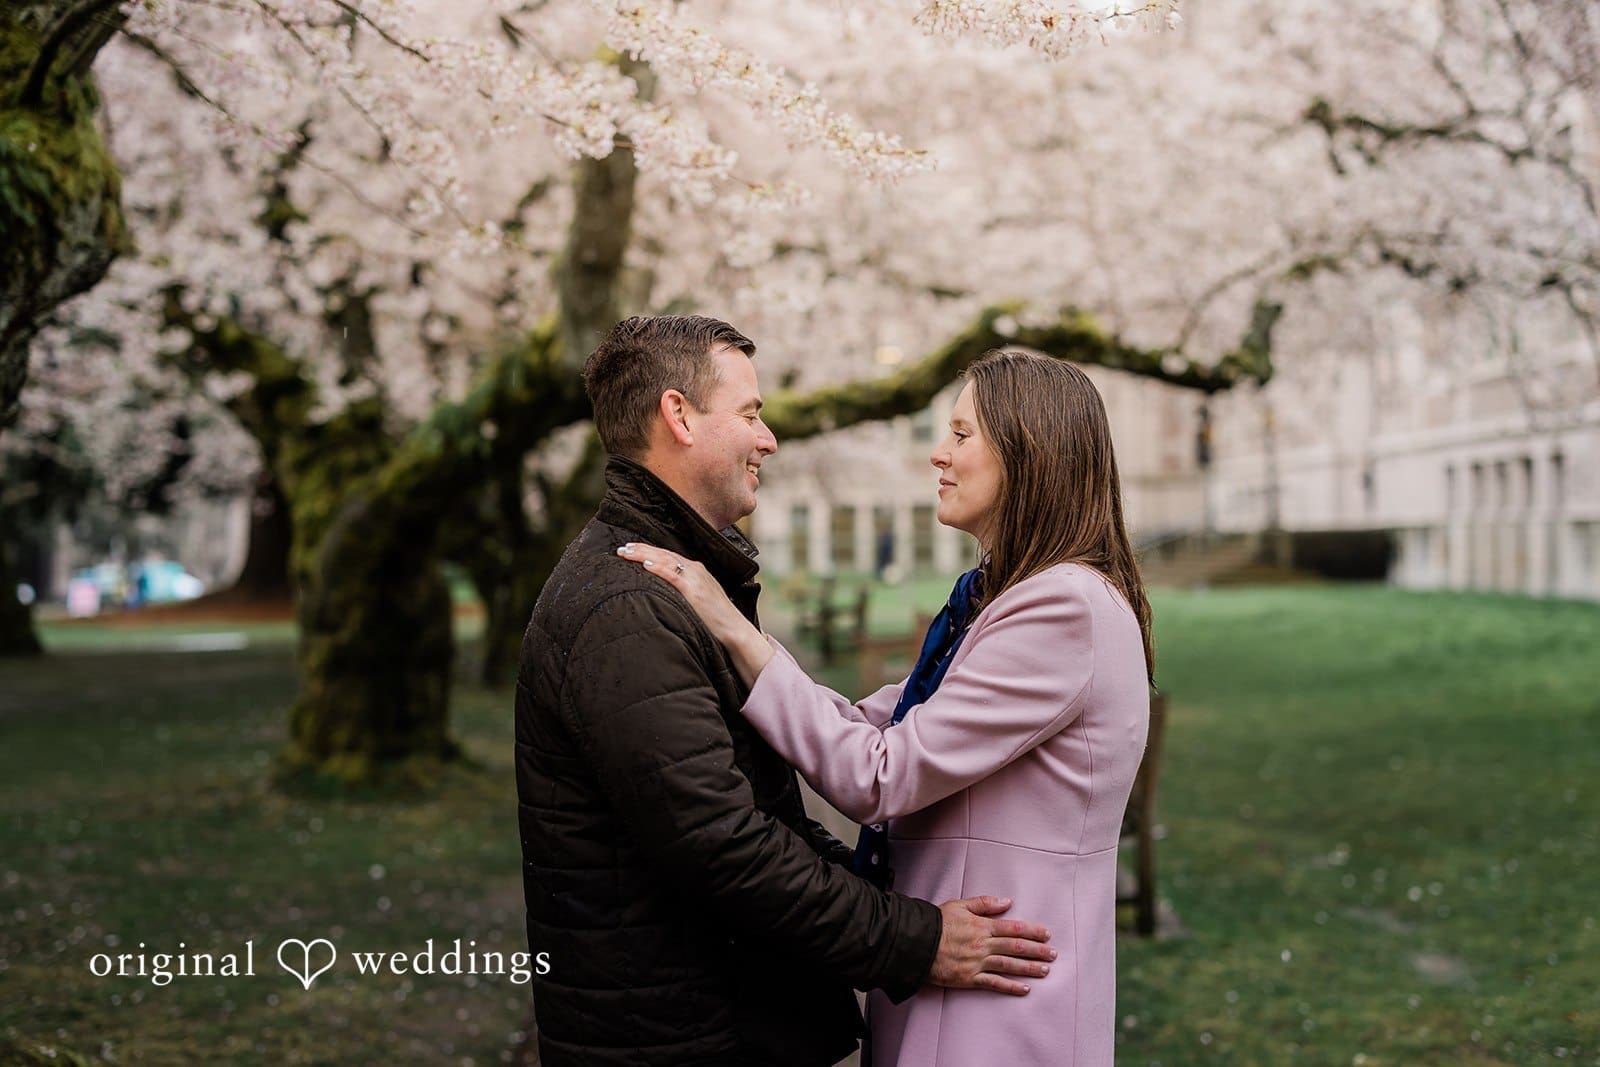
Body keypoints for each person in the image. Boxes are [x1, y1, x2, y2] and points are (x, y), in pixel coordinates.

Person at [515, 317, 1057, 1067]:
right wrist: (914, 938)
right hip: (679, 1036)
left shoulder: (675, 579)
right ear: (679, 416)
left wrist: (873, 890)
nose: (768, 439)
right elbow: (726, 847)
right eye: (750, 414)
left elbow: (760, 814)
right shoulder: (626, 606)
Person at [621, 347, 1155, 1066]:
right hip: (958, 987)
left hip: (996, 1006)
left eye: (962, 435)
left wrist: (733, 631)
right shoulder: (1011, 597)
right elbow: (880, 721)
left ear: (1030, 453)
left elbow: (881, 772)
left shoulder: (1064, 607)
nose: (938, 454)